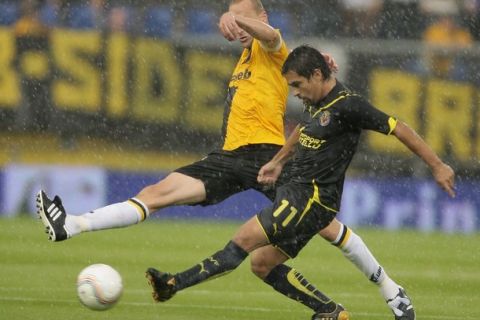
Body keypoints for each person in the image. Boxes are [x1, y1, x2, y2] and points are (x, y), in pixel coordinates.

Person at [36, 1, 427, 318]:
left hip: (267, 155)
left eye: (245, 18)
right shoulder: (243, 60)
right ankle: (72, 225)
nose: (237, 27)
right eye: (232, 18)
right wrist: (241, 22)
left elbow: (273, 37)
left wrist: (233, 16)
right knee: (156, 193)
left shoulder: (276, 52)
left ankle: (391, 291)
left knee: (327, 227)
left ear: (260, 17)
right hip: (228, 158)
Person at [145, 45, 455, 320]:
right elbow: (303, 130)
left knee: (240, 243)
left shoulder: (349, 105)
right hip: (298, 195)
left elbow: (398, 128)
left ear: (318, 75)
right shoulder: (316, 101)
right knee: (262, 264)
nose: (295, 91)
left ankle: (173, 284)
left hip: (310, 200)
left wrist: (438, 165)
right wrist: (278, 161)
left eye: (297, 84)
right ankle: (329, 311)